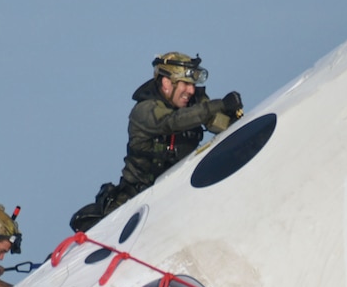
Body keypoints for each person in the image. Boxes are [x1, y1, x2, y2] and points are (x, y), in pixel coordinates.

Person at [70, 53, 243, 231]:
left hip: (178, 191)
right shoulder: (144, 111)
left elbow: (218, 122)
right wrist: (219, 105)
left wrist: (232, 116)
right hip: (137, 201)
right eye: (185, 84)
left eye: (192, 85)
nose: (191, 91)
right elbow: (172, 122)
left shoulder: (195, 104)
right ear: (167, 83)